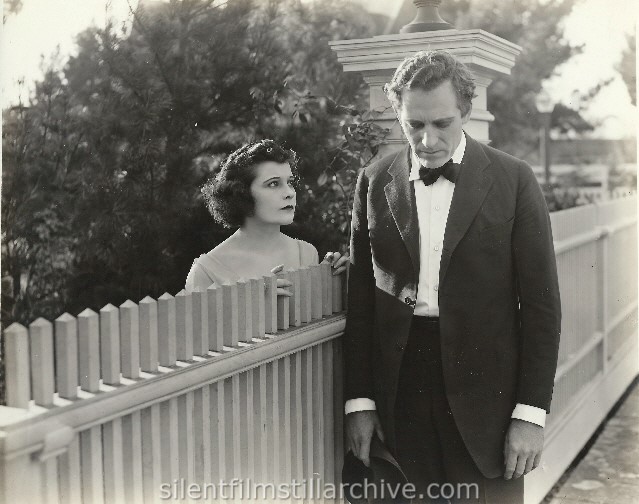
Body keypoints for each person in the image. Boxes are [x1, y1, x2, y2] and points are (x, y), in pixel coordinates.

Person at [343, 50, 561, 503]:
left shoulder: (514, 180)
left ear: (465, 109)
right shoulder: (374, 179)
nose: (426, 141)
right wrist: (360, 402)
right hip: (399, 396)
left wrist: (530, 413)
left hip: (488, 403)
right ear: (398, 113)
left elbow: (541, 308)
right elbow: (362, 299)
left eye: (441, 124)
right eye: (413, 124)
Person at [185, 139, 347, 294]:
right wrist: (252, 302)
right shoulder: (206, 271)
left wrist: (333, 279)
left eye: (290, 182)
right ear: (242, 193)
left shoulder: (306, 253)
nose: (289, 193)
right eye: (273, 184)